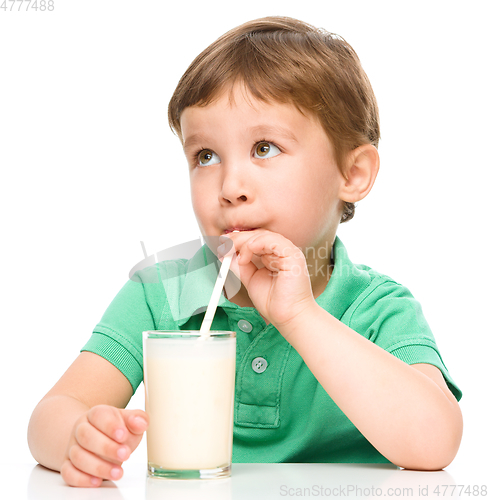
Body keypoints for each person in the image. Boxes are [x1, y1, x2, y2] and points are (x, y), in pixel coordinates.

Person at [28, 16, 463, 487]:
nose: (230, 187)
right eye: (205, 156)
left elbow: (433, 443)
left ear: (352, 174)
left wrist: (299, 316)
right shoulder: (162, 294)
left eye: (264, 147)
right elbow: (49, 416)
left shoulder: (378, 309)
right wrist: (79, 435)